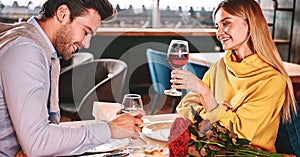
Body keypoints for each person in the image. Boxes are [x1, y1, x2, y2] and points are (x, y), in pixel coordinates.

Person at [0, 0, 145, 156]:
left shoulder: (31, 41)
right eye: (85, 31)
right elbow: (38, 142)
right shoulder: (26, 51)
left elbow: (35, 141)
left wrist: (33, 144)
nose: (86, 43)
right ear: (63, 14)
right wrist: (110, 129)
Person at [172, 0, 297, 153]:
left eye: (226, 23)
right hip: (209, 150)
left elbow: (238, 136)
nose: (218, 33)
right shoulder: (221, 65)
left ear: (249, 24)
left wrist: (206, 94)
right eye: (217, 26)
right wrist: (212, 110)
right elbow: (184, 107)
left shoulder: (272, 80)